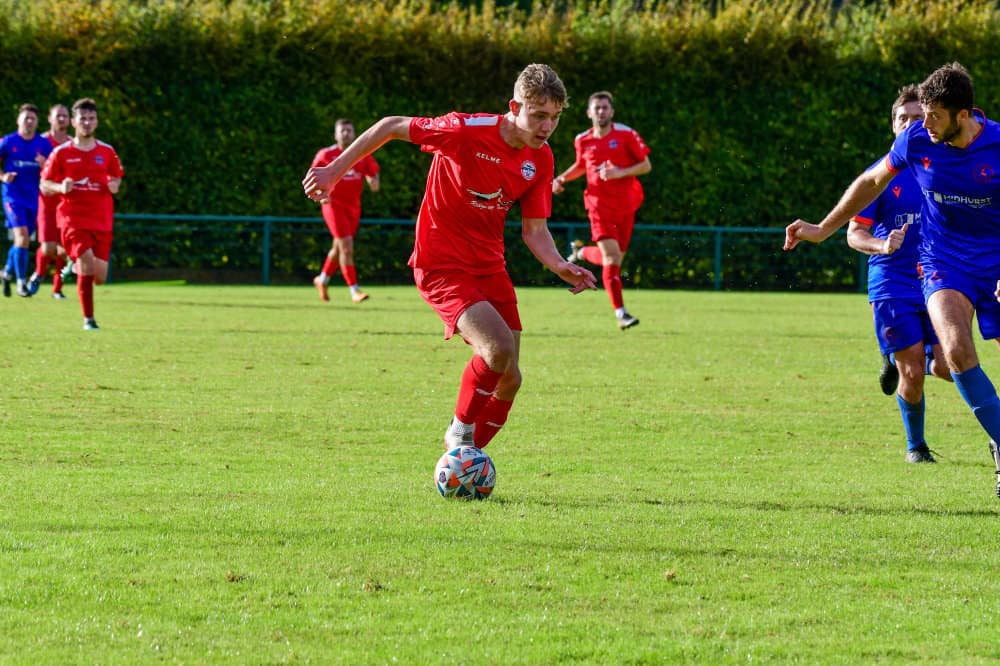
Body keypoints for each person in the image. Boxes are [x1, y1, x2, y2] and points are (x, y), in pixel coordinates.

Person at [302, 63, 596, 451]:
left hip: (489, 266)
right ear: (514, 107)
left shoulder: (540, 160)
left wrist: (559, 264)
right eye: (539, 115)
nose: (547, 126)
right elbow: (391, 125)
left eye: (555, 118)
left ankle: (466, 462)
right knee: (497, 349)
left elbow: (535, 230)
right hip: (441, 264)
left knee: (511, 378)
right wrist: (334, 171)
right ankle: (458, 436)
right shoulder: (464, 130)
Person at [785, 63, 1000, 495]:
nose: (925, 123)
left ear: (963, 115)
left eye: (934, 115)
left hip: (995, 259)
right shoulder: (917, 140)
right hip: (943, 261)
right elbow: (871, 180)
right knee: (956, 351)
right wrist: (823, 229)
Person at [846, 84, 952, 463]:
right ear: (893, 125)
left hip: (938, 281)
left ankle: (898, 356)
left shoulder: (945, 168)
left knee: (948, 365)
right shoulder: (879, 176)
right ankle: (916, 447)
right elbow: (854, 233)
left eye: (916, 118)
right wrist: (882, 245)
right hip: (892, 284)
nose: (909, 124)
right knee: (914, 373)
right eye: (902, 118)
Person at [552, 91, 651, 330]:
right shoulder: (582, 140)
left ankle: (582, 251)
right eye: (596, 108)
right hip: (598, 208)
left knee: (614, 262)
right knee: (612, 258)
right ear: (589, 113)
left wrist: (619, 172)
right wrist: (561, 179)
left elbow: (646, 165)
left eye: (605, 107)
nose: (601, 111)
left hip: (626, 206)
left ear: (612, 112)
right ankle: (621, 313)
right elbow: (581, 165)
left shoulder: (626, 134)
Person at [40, 98, 124, 331]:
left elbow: (116, 175)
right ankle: (89, 319)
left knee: (100, 278)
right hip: (73, 219)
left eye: (91, 118)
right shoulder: (61, 153)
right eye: (82, 118)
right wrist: (60, 187)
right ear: (73, 122)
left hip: (101, 219)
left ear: (96, 122)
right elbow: (44, 183)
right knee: (86, 262)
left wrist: (114, 184)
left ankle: (73, 265)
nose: (87, 122)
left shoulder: (107, 151)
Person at [310, 118, 380, 304]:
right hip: (333, 206)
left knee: (339, 247)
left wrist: (373, 180)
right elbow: (313, 177)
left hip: (353, 208)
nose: (346, 134)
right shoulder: (326, 154)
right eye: (342, 130)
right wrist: (321, 194)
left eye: (349, 130)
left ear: (354, 133)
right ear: (335, 135)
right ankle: (354, 290)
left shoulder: (362, 153)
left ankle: (322, 279)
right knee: (347, 247)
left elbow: (372, 172)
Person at [0, 104, 53, 298]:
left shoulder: (44, 145)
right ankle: (21, 283)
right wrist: (3, 176)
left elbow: (54, 171)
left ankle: (6, 272)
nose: (29, 121)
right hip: (13, 196)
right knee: (22, 238)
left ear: (37, 122)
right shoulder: (8, 142)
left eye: (33, 119)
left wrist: (45, 164)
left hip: (34, 199)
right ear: (18, 120)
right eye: (26, 118)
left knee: (21, 241)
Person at [29, 104, 71, 299]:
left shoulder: (72, 144)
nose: (62, 119)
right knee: (48, 247)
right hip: (46, 200)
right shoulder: (40, 142)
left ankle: (57, 289)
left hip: (66, 203)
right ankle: (38, 274)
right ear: (49, 118)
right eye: (58, 115)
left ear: (70, 120)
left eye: (65, 116)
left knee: (64, 250)